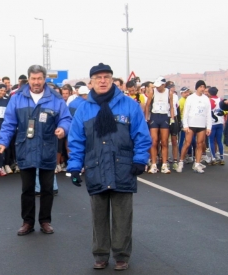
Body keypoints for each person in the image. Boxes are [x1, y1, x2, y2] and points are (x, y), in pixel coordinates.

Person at [67, 63, 151, 271]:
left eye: (106, 77)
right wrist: (75, 167)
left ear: (112, 80)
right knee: (99, 216)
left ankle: (121, 255)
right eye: (98, 78)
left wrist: (140, 159)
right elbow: (76, 141)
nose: (102, 81)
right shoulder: (83, 109)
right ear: (91, 83)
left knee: (123, 216)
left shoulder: (129, 105)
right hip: (96, 168)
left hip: (123, 167)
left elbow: (141, 135)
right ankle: (101, 254)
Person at [0, 65, 72, 236]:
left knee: (47, 188)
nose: (36, 82)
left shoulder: (55, 98)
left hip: (47, 147)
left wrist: (62, 129)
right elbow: (9, 123)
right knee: (27, 189)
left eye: (39, 78)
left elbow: (66, 118)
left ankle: (45, 221)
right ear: (28, 79)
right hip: (25, 147)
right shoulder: (17, 98)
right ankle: (27, 222)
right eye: (33, 79)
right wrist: (3, 141)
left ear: (44, 79)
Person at [176, 80, 212, 173]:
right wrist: (185, 125)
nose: (202, 89)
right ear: (197, 88)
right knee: (187, 143)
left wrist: (208, 127)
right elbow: (186, 113)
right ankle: (180, 162)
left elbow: (208, 113)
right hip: (191, 124)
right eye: (201, 87)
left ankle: (197, 164)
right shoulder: (190, 98)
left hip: (201, 125)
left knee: (200, 144)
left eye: (203, 87)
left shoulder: (206, 99)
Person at [145, 76, 174, 174]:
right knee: (154, 141)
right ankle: (153, 164)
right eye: (156, 86)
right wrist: (146, 118)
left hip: (164, 117)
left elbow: (171, 106)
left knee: (164, 141)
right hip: (154, 116)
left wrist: (172, 118)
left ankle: (164, 165)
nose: (157, 88)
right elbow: (147, 105)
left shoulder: (169, 93)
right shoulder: (152, 92)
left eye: (159, 86)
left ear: (164, 85)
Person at [208, 87, 225, 165]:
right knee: (219, 141)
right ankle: (222, 158)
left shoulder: (210, 101)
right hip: (220, 122)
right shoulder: (221, 99)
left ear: (210, 93)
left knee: (211, 141)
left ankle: (213, 158)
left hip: (212, 123)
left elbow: (207, 112)